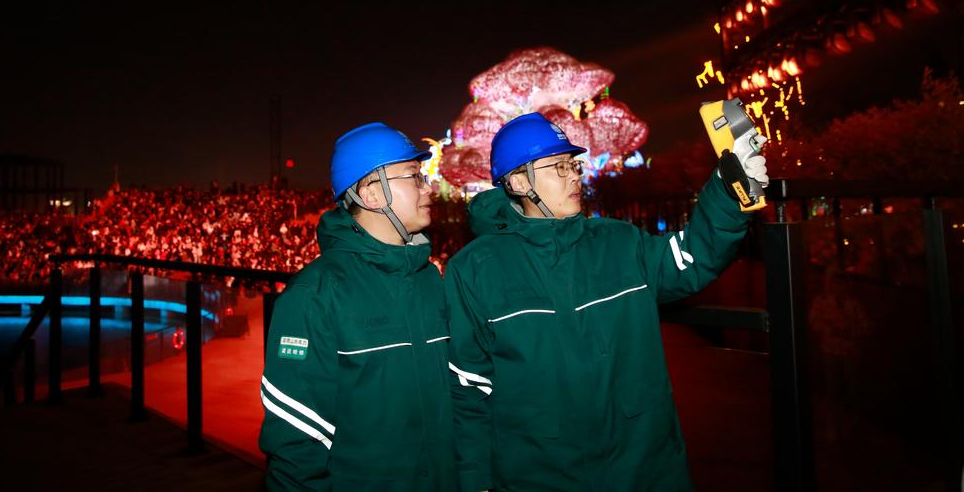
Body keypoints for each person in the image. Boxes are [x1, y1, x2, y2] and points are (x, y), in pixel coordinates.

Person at [444, 111, 768, 491]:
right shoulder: (476, 269)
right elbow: (469, 385)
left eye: (573, 164)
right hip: (539, 474)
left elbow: (692, 258)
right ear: (518, 182)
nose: (573, 176)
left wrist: (728, 190)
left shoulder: (619, 242)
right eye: (558, 166)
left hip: (643, 466)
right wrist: (476, 481)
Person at [259, 122, 457, 491]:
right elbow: (295, 445)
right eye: (414, 176)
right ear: (371, 193)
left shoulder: (428, 278)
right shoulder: (314, 295)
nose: (427, 187)